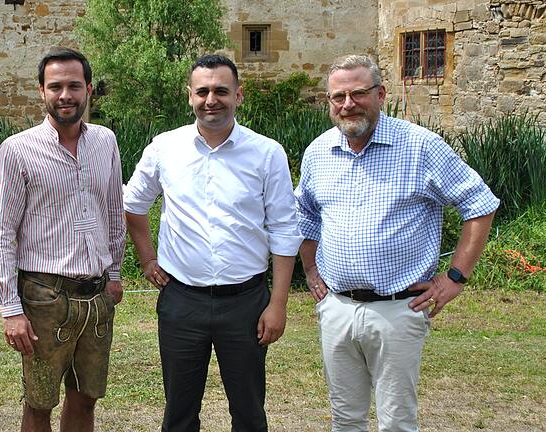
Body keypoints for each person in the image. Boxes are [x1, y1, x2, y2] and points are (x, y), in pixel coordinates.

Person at [294, 54, 499, 432]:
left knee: (396, 422)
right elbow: (305, 215)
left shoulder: (421, 146)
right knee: (345, 418)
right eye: (338, 97)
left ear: (381, 94)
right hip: (336, 307)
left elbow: (480, 205)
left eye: (358, 93)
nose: (347, 104)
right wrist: (309, 269)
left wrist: (454, 277)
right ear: (329, 102)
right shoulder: (318, 152)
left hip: (398, 309)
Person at [123, 54, 303, 432]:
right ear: (189, 96)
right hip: (182, 301)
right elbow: (132, 206)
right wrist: (147, 258)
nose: (211, 100)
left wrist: (278, 304)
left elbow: (286, 229)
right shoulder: (165, 148)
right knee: (179, 413)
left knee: (250, 412)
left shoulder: (266, 153)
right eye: (202, 91)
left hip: (246, 303)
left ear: (238, 95)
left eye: (221, 91)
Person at [0, 47, 125, 432]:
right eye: (56, 86)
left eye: (74, 86)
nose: (65, 95)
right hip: (43, 296)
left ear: (89, 90)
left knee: (86, 398)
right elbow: (0, 231)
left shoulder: (106, 142)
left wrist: (113, 272)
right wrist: (10, 308)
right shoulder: (18, 150)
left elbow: (114, 211)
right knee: (39, 402)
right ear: (41, 92)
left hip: (96, 296)